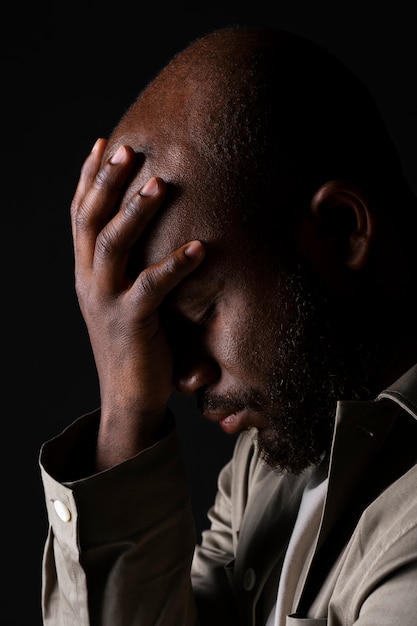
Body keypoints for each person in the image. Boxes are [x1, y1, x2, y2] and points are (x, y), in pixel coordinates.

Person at [39, 24, 417, 625]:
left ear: (344, 230)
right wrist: (125, 417)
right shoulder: (267, 463)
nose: (183, 375)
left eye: (198, 313)